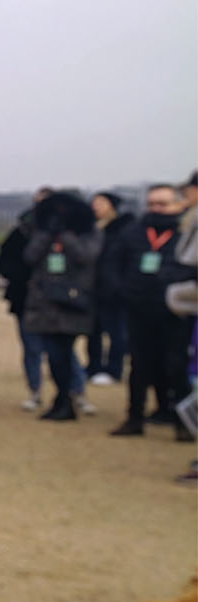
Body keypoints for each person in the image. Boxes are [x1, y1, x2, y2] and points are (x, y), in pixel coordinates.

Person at [111, 181, 197, 442]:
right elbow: (114, 262)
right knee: (138, 365)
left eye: (163, 203)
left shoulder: (187, 232)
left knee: (176, 365)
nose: (156, 209)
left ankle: (182, 424)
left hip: (175, 310)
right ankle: (134, 417)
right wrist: (124, 291)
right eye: (151, 204)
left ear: (178, 204)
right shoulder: (133, 231)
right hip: (138, 308)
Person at [20, 190, 100, 421]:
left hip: (72, 300)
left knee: (64, 352)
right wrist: (46, 233)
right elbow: (30, 256)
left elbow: (85, 256)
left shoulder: (89, 233)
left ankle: (68, 397)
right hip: (45, 301)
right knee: (53, 354)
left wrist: (65, 234)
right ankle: (62, 397)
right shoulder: (44, 232)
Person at [0, 186, 55, 411]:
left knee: (60, 349)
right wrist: (21, 278)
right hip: (25, 294)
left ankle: (74, 390)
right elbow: (5, 261)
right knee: (31, 347)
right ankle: (34, 390)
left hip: (56, 297)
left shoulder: (68, 233)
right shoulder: (20, 231)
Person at [88, 190, 134, 386]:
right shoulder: (90, 228)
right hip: (92, 288)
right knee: (92, 332)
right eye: (94, 202)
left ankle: (114, 368)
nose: (95, 206)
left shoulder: (122, 229)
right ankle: (94, 366)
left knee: (117, 332)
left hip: (114, 289)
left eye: (101, 202)